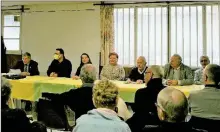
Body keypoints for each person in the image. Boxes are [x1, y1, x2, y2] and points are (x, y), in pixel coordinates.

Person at [43, 64, 131, 120]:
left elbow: (58, 98)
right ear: (96, 77)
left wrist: (43, 93)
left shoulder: (74, 93)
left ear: (81, 77)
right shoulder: (102, 93)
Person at [127, 65, 165, 132]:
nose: (144, 76)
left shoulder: (141, 93)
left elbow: (137, 112)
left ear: (150, 74)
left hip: (143, 125)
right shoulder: (167, 91)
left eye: (145, 73)